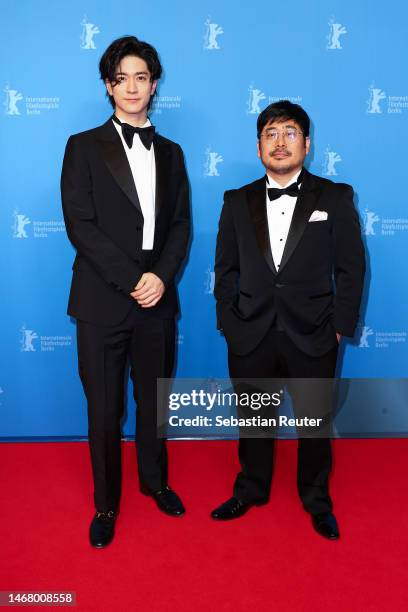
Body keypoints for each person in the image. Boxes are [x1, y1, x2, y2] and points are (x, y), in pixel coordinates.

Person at [211, 100, 365, 539]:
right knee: (254, 421)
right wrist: (229, 321)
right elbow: (225, 270)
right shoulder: (236, 201)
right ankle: (251, 489)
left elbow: (351, 268)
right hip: (251, 331)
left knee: (314, 425)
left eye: (290, 133)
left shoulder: (334, 197)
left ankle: (316, 498)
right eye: (271, 134)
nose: (280, 142)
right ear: (259, 146)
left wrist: (339, 325)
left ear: (307, 143)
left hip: (314, 332)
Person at [61, 36, 190, 548]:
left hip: (157, 300)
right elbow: (81, 225)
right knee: (105, 407)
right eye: (121, 77)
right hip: (101, 299)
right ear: (108, 86)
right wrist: (132, 279)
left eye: (141, 77)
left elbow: (180, 225)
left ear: (154, 85)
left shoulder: (173, 153)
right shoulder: (82, 146)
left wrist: (160, 277)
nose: (131, 86)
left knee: (153, 400)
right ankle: (106, 503)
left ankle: (156, 483)